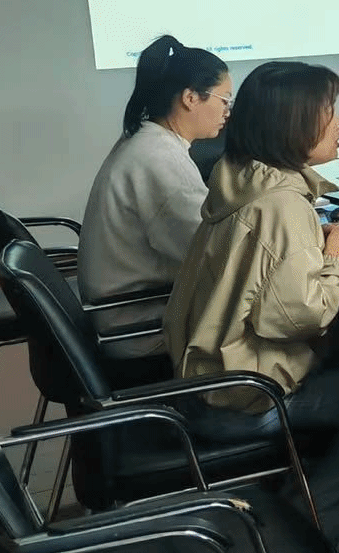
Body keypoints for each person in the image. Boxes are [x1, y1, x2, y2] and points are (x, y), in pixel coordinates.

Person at [163, 60, 339, 553]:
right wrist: (336, 256)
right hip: (239, 395)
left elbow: (265, 272)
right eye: (329, 113)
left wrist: (315, 246)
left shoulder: (242, 177)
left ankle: (314, 503)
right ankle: (315, 540)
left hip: (202, 373)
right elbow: (299, 316)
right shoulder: (282, 204)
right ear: (293, 125)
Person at [78, 35, 231, 357]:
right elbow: (215, 257)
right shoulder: (160, 161)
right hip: (141, 330)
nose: (227, 112)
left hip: (126, 311)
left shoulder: (147, 139)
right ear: (191, 98)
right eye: (224, 100)